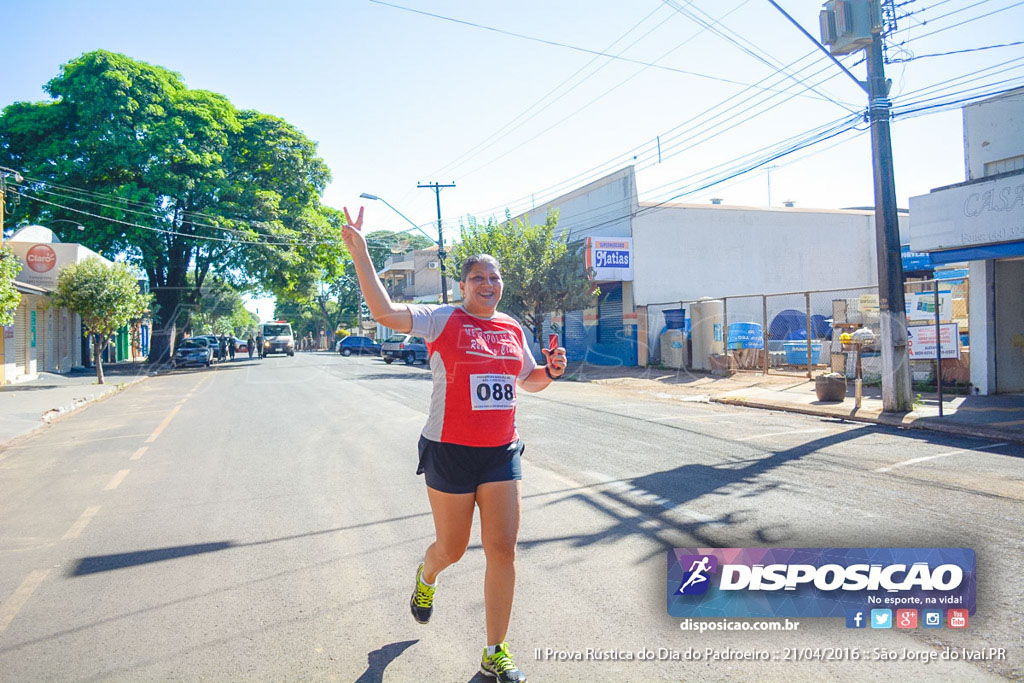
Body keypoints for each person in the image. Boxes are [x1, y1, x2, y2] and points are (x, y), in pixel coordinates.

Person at [342, 206, 566, 683]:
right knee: (453, 548)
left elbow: (528, 379)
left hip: (502, 451)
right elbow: (383, 312)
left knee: (502, 550)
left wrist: (550, 371)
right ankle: (426, 577)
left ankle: (494, 652)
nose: (488, 284)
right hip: (449, 449)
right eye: (478, 278)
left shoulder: (510, 328)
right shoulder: (442, 319)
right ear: (463, 286)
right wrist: (361, 254)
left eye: (495, 277)